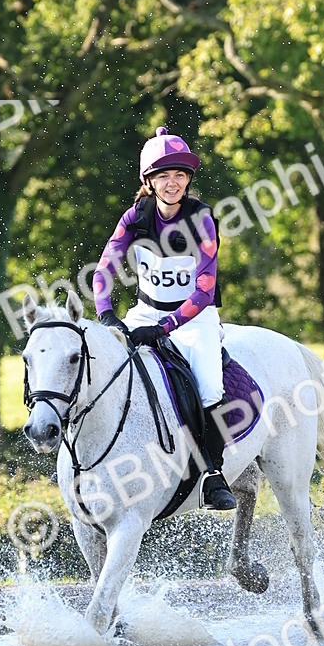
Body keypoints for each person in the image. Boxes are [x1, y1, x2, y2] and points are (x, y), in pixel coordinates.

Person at [91, 126, 236, 511]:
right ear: (149, 181)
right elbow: (104, 269)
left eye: (179, 175)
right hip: (145, 310)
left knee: (208, 385)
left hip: (194, 317)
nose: (172, 183)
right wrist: (106, 314)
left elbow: (204, 290)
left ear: (188, 179)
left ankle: (213, 475)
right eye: (163, 176)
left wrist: (168, 327)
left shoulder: (202, 218)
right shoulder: (133, 217)